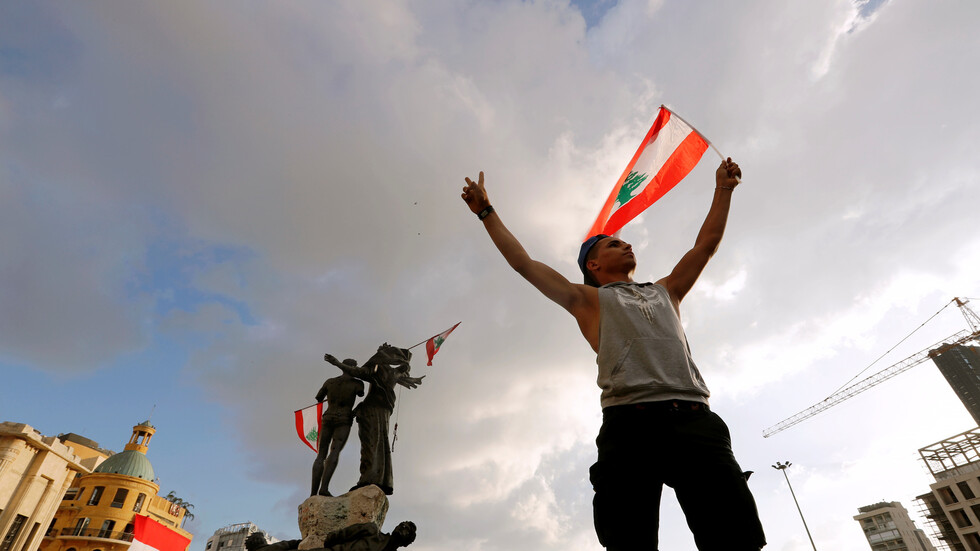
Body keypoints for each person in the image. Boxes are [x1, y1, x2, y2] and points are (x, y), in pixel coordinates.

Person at [460, 159, 766, 550]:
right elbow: (524, 263)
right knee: (627, 539)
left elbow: (705, 245)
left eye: (625, 241)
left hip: (693, 419)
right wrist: (486, 212)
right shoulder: (587, 299)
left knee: (735, 536)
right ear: (594, 264)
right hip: (630, 425)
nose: (626, 244)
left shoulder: (666, 291)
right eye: (614, 244)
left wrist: (723, 190)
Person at [324, 345, 424, 495]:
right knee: (381, 443)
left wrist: (337, 363)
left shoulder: (378, 371)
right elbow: (402, 370)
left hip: (371, 410)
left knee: (370, 443)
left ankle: (367, 479)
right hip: (383, 411)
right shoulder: (395, 374)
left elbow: (357, 371)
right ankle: (382, 480)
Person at [311, 363, 365, 497]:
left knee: (320, 455)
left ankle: (313, 493)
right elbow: (361, 394)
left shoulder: (330, 382)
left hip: (328, 417)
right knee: (334, 451)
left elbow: (319, 397)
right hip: (344, 419)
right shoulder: (358, 383)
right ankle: (323, 488)